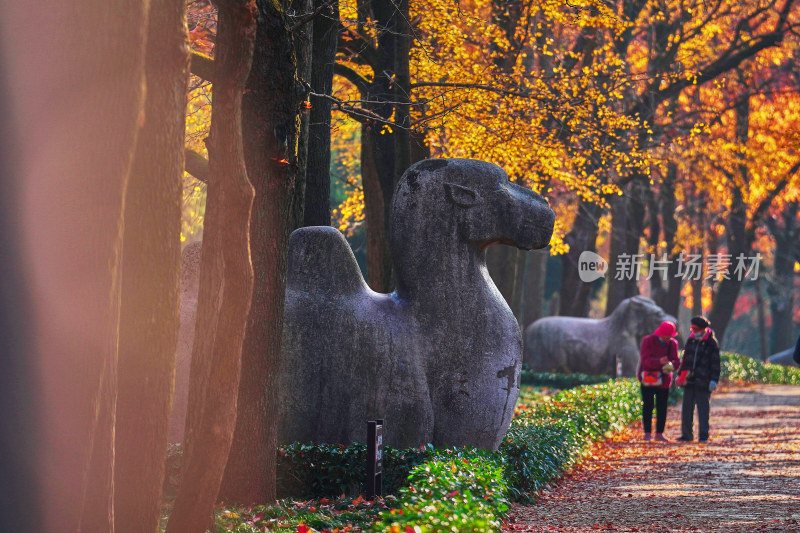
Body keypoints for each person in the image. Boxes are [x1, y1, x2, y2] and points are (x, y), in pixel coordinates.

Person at [676, 316, 721, 443]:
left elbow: (715, 363)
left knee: (703, 409)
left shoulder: (711, 343)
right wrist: (680, 375)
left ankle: (703, 435)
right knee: (687, 409)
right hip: (689, 381)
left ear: (702, 329)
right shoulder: (691, 341)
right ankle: (686, 434)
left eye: (695, 329)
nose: (693, 331)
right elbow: (685, 360)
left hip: (704, 381)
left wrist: (714, 380)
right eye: (692, 329)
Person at [637, 321, 681, 442]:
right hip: (648, 378)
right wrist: (659, 362)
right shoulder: (648, 341)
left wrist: (672, 365)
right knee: (648, 405)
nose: (668, 339)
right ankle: (647, 432)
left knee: (662, 406)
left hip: (664, 380)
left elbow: (676, 360)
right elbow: (645, 360)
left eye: (670, 336)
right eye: (666, 336)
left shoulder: (673, 344)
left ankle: (659, 433)